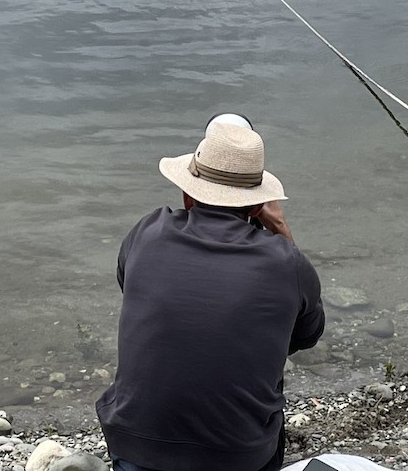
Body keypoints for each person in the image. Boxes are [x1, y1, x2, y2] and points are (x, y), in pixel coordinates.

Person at [96, 118, 326, 471]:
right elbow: (305, 335)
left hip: (132, 447)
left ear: (188, 193)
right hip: (238, 458)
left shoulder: (147, 232)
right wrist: (280, 230)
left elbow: (133, 289)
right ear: (256, 206)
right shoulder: (286, 262)